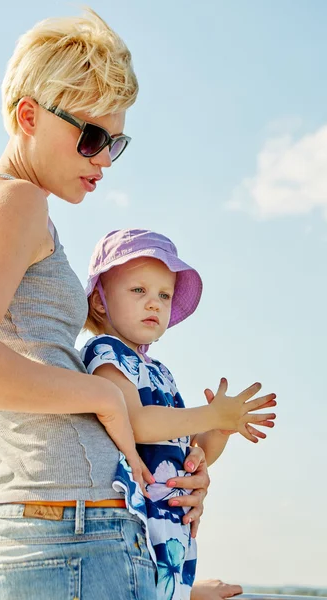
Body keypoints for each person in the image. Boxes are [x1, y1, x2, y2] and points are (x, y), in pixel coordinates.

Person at [0, 9, 213, 599]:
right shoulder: (15, 201)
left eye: (115, 141)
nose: (103, 159)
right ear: (29, 116)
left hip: (66, 530)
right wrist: (99, 395)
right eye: (91, 137)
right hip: (62, 535)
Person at [81, 228, 277, 600]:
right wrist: (209, 414)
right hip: (132, 524)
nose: (154, 303)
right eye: (138, 290)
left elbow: (190, 451)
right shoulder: (106, 354)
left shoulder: (159, 371)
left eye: (164, 295)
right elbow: (134, 422)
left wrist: (218, 431)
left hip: (169, 525)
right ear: (101, 302)